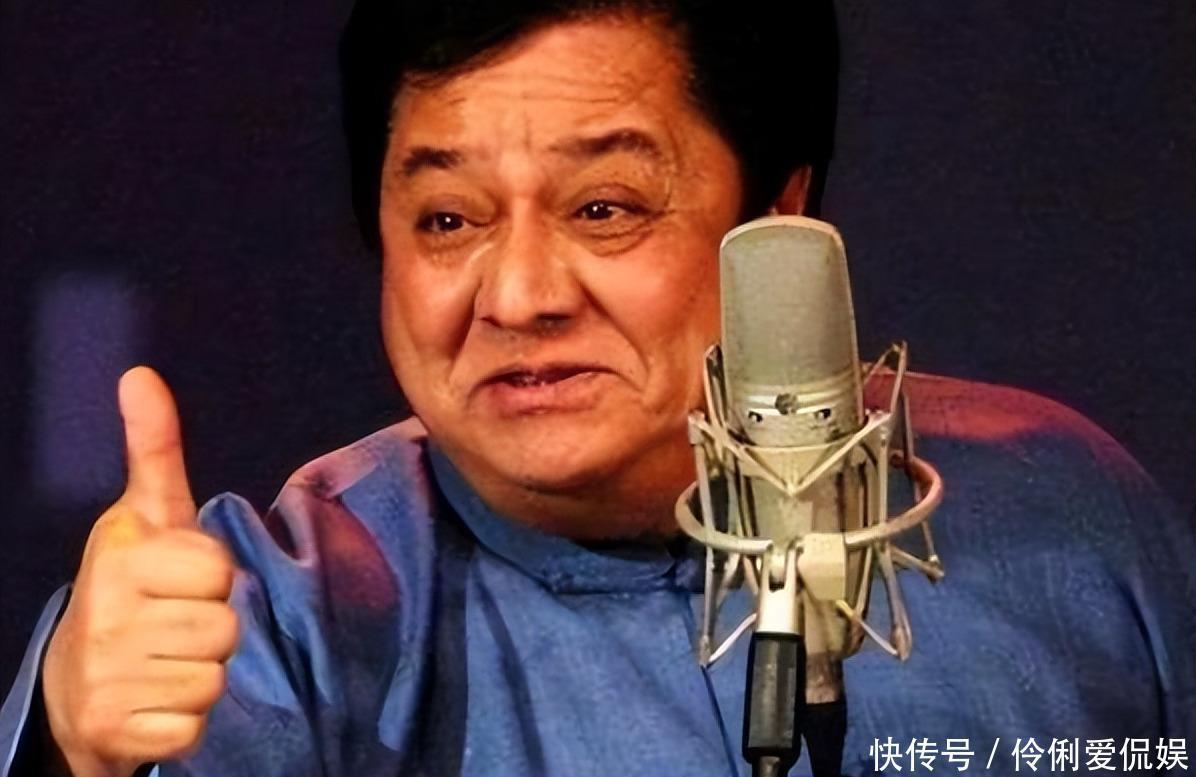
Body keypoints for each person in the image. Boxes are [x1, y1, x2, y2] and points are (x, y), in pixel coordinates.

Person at [2, 2, 1194, 776]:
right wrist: (70, 749)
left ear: (779, 219)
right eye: (448, 219)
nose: (518, 295)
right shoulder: (263, 623)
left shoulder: (1058, 511)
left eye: (603, 208)